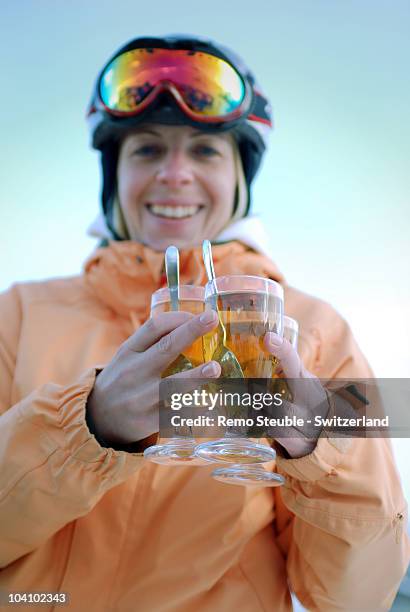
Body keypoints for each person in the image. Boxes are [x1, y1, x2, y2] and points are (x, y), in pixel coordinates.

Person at [0, 34, 408, 612]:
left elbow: (355, 598)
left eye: (205, 150)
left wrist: (319, 448)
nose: (174, 174)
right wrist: (87, 426)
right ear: (113, 173)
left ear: (240, 176)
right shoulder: (18, 314)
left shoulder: (317, 331)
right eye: (146, 149)